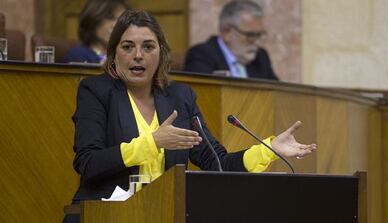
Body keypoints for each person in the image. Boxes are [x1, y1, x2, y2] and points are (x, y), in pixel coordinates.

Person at [63, 10, 315, 223]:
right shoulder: (96, 91)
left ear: (160, 53)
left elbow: (218, 163)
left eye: (148, 47)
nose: (138, 55)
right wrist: (152, 143)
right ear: (114, 54)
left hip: (162, 214)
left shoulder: (180, 98)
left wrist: (269, 148)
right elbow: (88, 163)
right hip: (104, 214)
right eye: (128, 47)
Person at [184, 0, 278, 80]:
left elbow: (278, 95)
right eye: (250, 35)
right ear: (226, 32)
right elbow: (204, 96)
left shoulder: (261, 57)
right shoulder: (201, 55)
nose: (257, 42)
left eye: (259, 35)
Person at [63, 0, 130, 64]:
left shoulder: (128, 55)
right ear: (92, 19)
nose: (116, 24)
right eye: (109, 17)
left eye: (121, 19)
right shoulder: (77, 55)